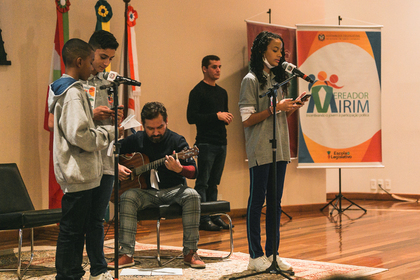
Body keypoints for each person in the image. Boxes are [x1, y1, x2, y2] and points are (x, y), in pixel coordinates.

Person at [238, 31, 307, 272]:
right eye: (275, 50)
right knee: (257, 202)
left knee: (275, 204)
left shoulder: (277, 81)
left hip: (280, 148)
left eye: (281, 50)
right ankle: (255, 255)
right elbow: (247, 119)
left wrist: (291, 106)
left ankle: (273, 253)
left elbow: (277, 114)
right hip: (260, 148)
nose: (280, 55)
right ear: (261, 51)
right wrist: (274, 108)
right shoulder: (250, 79)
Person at [108, 102, 205, 269]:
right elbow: (111, 152)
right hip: (145, 192)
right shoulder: (137, 139)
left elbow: (194, 171)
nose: (156, 132)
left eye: (160, 127)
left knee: (193, 195)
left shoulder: (177, 140)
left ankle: (190, 252)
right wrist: (116, 165)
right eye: (150, 128)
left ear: (166, 121)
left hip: (173, 190)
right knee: (127, 197)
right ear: (143, 124)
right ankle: (127, 254)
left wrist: (180, 169)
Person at [48, 38, 115, 280]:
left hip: (79, 171)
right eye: (90, 61)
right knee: (72, 231)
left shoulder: (64, 89)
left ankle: (72, 272)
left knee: (74, 229)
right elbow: (80, 135)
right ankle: (68, 274)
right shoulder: (73, 92)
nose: (93, 66)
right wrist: (109, 132)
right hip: (79, 171)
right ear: (79, 61)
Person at [187, 55, 233, 231]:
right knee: (203, 183)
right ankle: (202, 218)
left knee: (214, 182)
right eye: (214, 67)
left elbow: (223, 114)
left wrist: (226, 117)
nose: (218, 70)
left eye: (220, 66)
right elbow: (191, 117)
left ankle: (215, 215)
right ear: (204, 68)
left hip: (221, 142)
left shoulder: (222, 92)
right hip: (205, 143)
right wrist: (216, 116)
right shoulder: (197, 91)